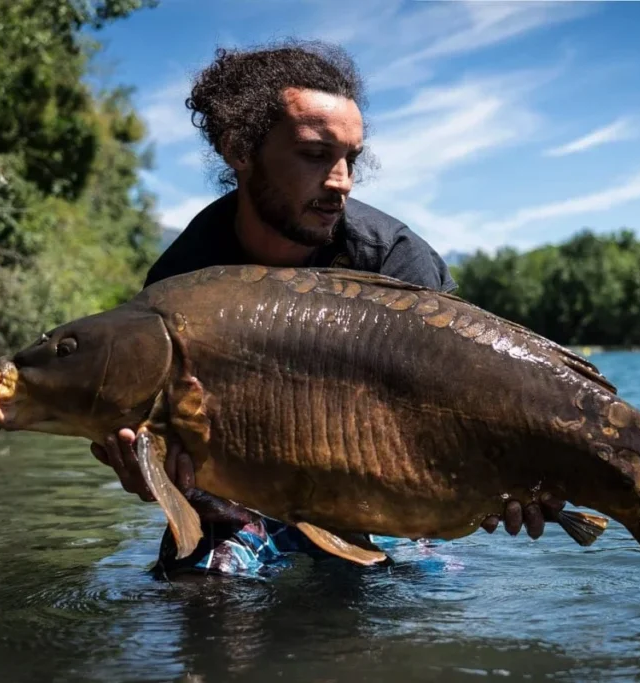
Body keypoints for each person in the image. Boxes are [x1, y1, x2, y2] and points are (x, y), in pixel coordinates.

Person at [91, 41, 562, 577]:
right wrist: (150, 470)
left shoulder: (394, 261)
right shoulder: (179, 285)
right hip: (240, 500)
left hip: (381, 498)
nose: (341, 181)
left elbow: (467, 410)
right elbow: (161, 445)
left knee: (403, 604)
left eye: (350, 159)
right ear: (238, 150)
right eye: (316, 155)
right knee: (200, 592)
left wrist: (512, 475)